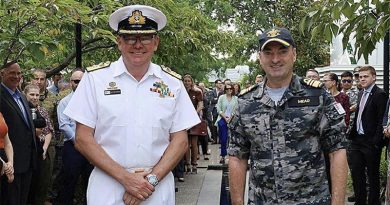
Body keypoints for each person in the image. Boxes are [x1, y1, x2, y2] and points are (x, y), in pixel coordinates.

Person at [63, 5, 200, 205]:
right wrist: (126, 179)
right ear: (119, 42)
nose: (137, 45)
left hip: (157, 185)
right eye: (129, 38)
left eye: (145, 38)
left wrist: (150, 181)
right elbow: (83, 138)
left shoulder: (172, 83)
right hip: (108, 185)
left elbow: (180, 140)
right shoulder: (95, 79)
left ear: (156, 42)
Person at [228, 27, 348, 204]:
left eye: (282, 51)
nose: (275, 59)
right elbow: (237, 157)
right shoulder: (246, 102)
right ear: (260, 58)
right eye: (268, 53)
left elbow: (337, 151)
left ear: (294, 54)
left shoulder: (318, 96)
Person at [349, 65, 388, 205]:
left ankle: (373, 202)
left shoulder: (380, 94)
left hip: (371, 142)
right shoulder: (361, 93)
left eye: (365, 76)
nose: (362, 79)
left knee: (372, 176)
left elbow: (380, 120)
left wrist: (376, 142)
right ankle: (360, 202)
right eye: (360, 77)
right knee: (356, 174)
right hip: (357, 140)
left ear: (374, 77)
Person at [0, 61, 38, 205]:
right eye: (12, 73)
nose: (16, 76)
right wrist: (7, 162)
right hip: (10, 162)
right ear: (2, 73)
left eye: (19, 73)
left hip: (28, 161)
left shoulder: (21, 96)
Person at [57, 68, 93, 205]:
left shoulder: (94, 101)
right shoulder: (64, 102)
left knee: (90, 181)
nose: (79, 84)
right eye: (76, 81)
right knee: (69, 181)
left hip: (92, 148)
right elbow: (64, 125)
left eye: (82, 81)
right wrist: (79, 142)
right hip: (73, 147)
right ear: (71, 83)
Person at [23, 84, 54, 205]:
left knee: (40, 183)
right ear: (25, 95)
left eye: (37, 95)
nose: (35, 97)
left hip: (40, 151)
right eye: (32, 94)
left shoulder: (42, 111)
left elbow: (48, 131)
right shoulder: (22, 110)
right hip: (26, 150)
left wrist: (44, 149)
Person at [215, 83, 238, 164]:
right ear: (225, 90)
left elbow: (236, 110)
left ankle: (232, 156)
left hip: (233, 120)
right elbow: (218, 108)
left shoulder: (236, 98)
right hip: (222, 119)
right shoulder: (221, 97)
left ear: (233, 89)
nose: (229, 90)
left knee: (232, 139)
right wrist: (225, 117)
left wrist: (230, 118)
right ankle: (223, 155)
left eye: (230, 89)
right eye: (227, 89)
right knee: (223, 138)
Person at [0, 112, 14, 186]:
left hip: (3, 159)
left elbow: (7, 143)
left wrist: (10, 163)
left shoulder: (0, 114)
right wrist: (2, 163)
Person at [207, 79, 224, 144]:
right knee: (214, 125)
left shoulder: (223, 91)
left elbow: (222, 100)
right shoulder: (211, 92)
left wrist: (216, 99)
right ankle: (214, 139)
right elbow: (211, 100)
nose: (220, 84)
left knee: (221, 124)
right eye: (219, 83)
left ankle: (220, 140)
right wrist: (217, 99)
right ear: (216, 84)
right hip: (214, 110)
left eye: (221, 83)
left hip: (221, 110)